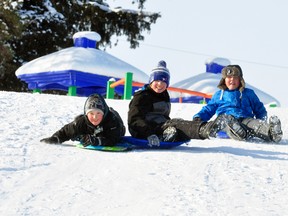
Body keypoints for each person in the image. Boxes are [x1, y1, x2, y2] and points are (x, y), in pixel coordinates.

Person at [128, 60, 223, 146]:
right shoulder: (142, 96)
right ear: (151, 81)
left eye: (163, 81)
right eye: (157, 80)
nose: (160, 84)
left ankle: (168, 135)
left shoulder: (163, 95)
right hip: (143, 130)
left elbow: (162, 117)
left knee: (178, 126)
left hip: (158, 127)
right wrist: (148, 134)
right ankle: (205, 129)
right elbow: (134, 119)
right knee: (176, 124)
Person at [193, 64, 283, 143]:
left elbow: (259, 108)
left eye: (235, 77)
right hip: (225, 121)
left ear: (240, 80)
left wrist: (261, 121)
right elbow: (209, 108)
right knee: (224, 122)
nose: (232, 80)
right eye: (229, 77)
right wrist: (199, 117)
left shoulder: (248, 93)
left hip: (245, 119)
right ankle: (237, 131)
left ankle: (272, 133)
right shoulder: (218, 95)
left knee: (256, 125)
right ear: (224, 80)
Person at [40, 93, 126, 146]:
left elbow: (115, 138)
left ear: (103, 114)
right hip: (92, 130)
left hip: (116, 127)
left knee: (114, 117)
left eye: (98, 113)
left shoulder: (112, 120)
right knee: (77, 130)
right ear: (86, 114)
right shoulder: (82, 121)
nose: (95, 117)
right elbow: (66, 131)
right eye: (91, 113)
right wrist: (55, 138)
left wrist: (98, 141)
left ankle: (109, 110)